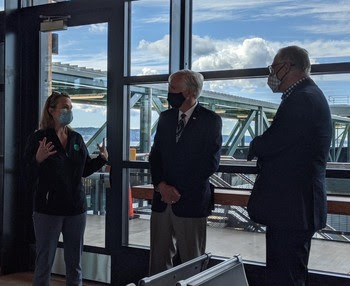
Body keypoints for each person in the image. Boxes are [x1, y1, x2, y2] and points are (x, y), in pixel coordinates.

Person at [247, 46, 332, 285]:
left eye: (274, 67)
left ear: (288, 66)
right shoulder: (310, 95)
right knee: (292, 272)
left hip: (291, 208)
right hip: (297, 207)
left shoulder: (302, 99)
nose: (272, 73)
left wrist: (255, 146)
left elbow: (275, 141)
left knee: (283, 276)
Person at [24, 91, 108, 286]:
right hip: (48, 210)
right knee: (44, 261)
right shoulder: (40, 138)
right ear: (51, 110)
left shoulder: (77, 138)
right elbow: (26, 173)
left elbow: (84, 170)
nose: (69, 111)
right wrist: (38, 159)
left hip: (76, 209)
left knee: (75, 262)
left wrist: (101, 159)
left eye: (71, 107)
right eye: (65, 107)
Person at [148, 69, 222, 275]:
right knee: (158, 263)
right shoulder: (165, 118)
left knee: (193, 263)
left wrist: (176, 190)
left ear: (190, 92)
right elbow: (155, 157)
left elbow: (209, 164)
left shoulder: (211, 121)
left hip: (190, 200)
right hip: (162, 200)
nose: (168, 92)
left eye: (173, 88)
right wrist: (161, 186)